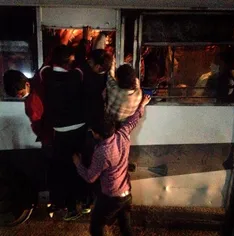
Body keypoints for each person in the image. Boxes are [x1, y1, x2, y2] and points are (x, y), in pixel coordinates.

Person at [72, 94, 151, 236]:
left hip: (111, 198)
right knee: (126, 229)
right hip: (126, 194)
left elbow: (90, 177)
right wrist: (142, 105)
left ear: (97, 135)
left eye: (93, 132)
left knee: (96, 228)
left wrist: (78, 164)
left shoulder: (102, 152)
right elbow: (133, 120)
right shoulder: (122, 134)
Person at [43, 44, 87, 220]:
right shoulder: (77, 75)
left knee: (65, 168)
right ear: (70, 60)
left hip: (60, 130)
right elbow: (80, 67)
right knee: (80, 164)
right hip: (79, 127)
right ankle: (83, 203)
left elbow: (46, 65)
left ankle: (70, 206)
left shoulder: (46, 74)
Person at [3, 67, 53, 147]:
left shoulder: (31, 102)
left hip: (51, 135)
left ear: (27, 84)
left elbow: (37, 124)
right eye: (17, 96)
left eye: (21, 94)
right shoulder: (39, 78)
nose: (19, 97)